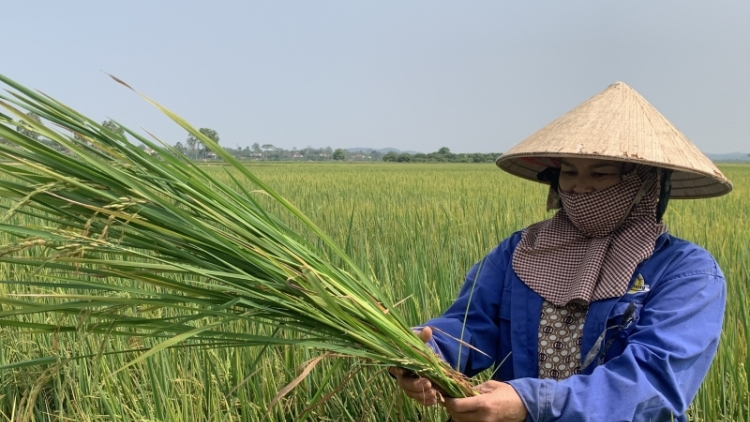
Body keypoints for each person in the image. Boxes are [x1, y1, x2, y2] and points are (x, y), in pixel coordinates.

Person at [391, 82, 732, 422]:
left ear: (645, 184)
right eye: (569, 172)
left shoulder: (687, 273)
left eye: (600, 173)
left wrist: (530, 402)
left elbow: (652, 382)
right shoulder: (522, 250)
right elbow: (471, 323)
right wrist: (426, 353)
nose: (579, 188)